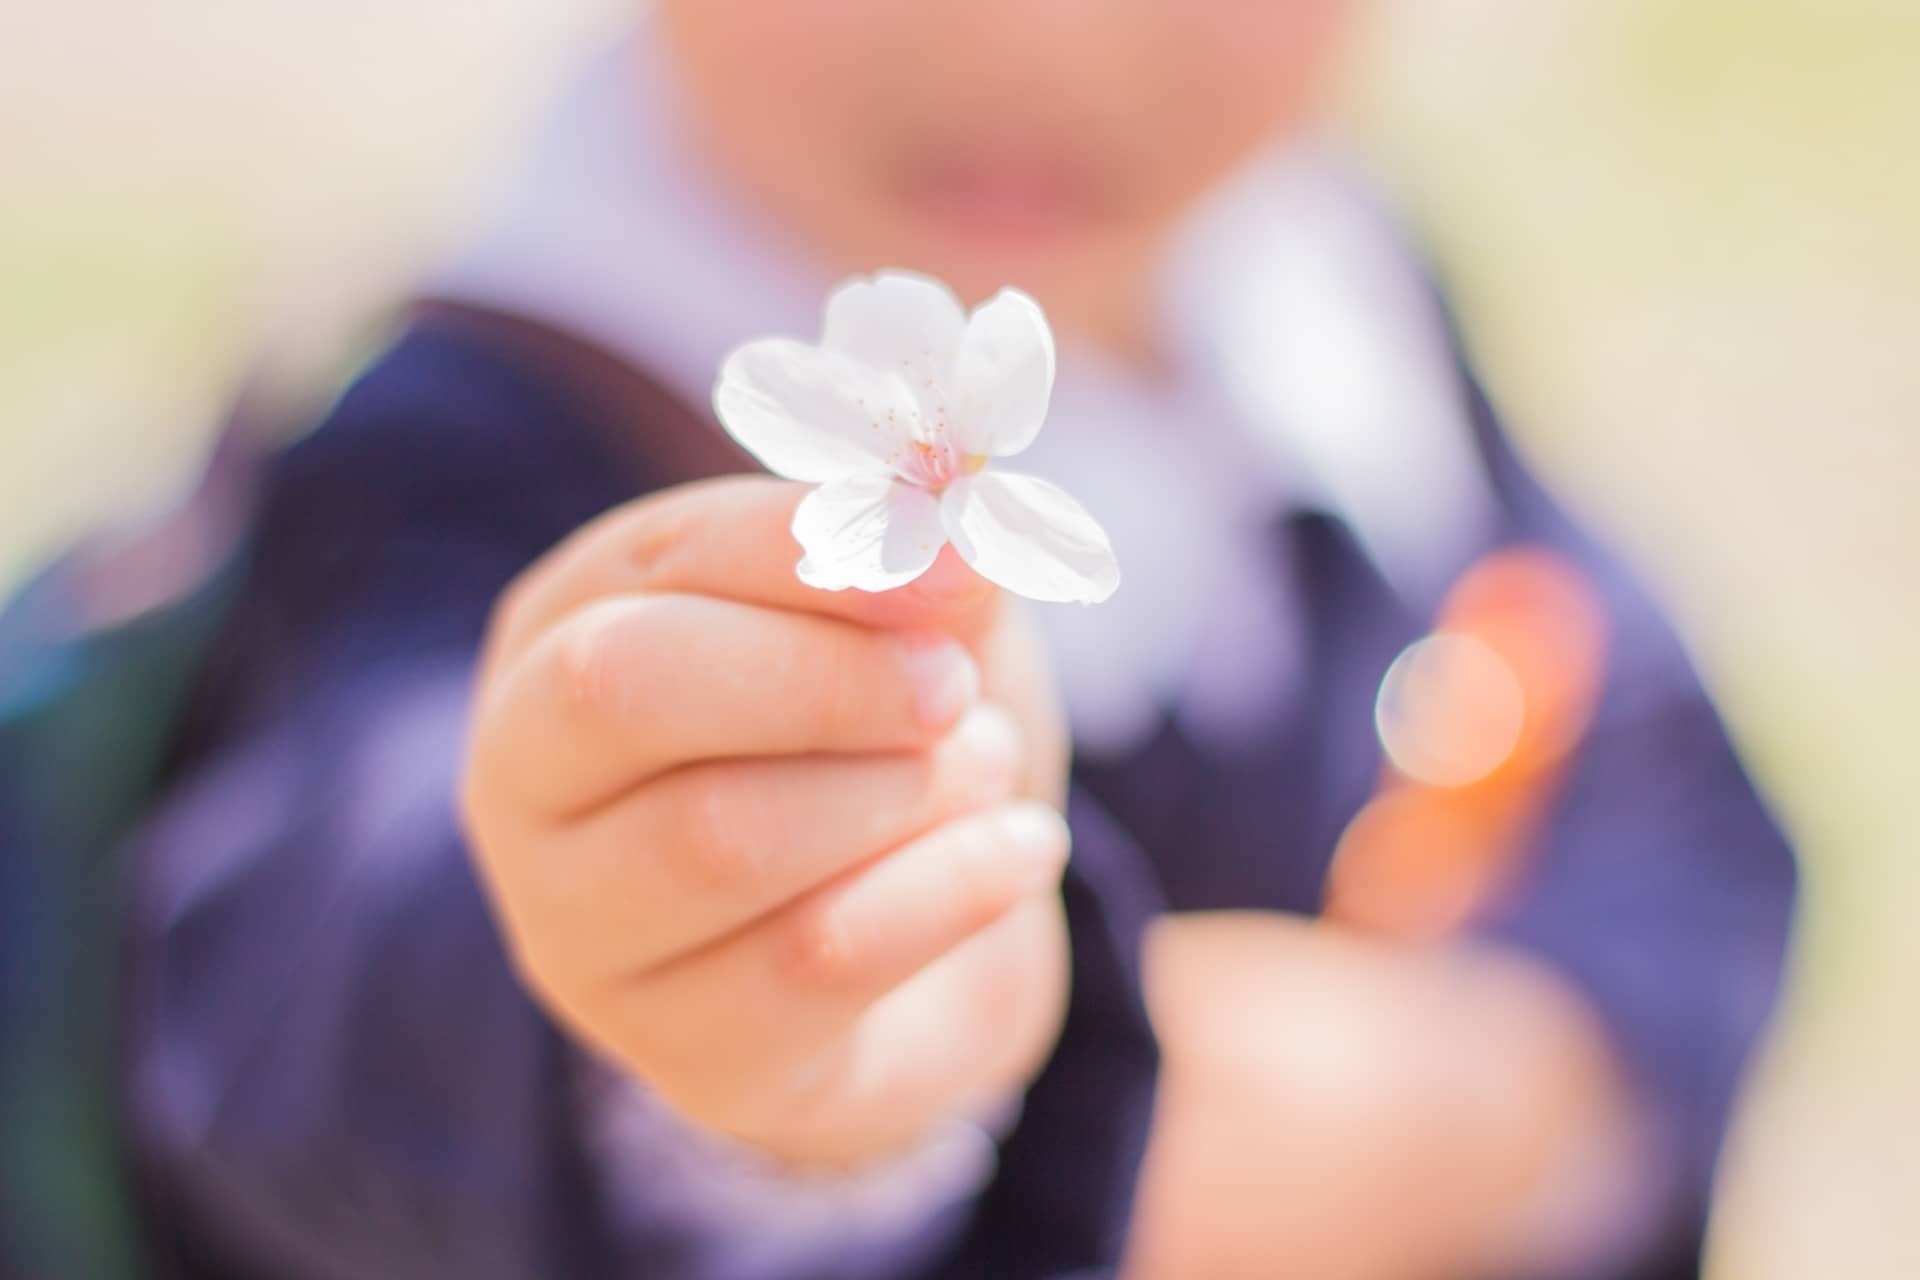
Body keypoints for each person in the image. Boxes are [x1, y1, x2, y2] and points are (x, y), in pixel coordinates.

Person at [113, 3, 1797, 1277]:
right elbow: (303, 965)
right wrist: (661, 1004)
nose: (1036, 40)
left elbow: (1644, 759)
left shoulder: (1321, 280)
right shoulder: (468, 437)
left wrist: (1504, 1093)